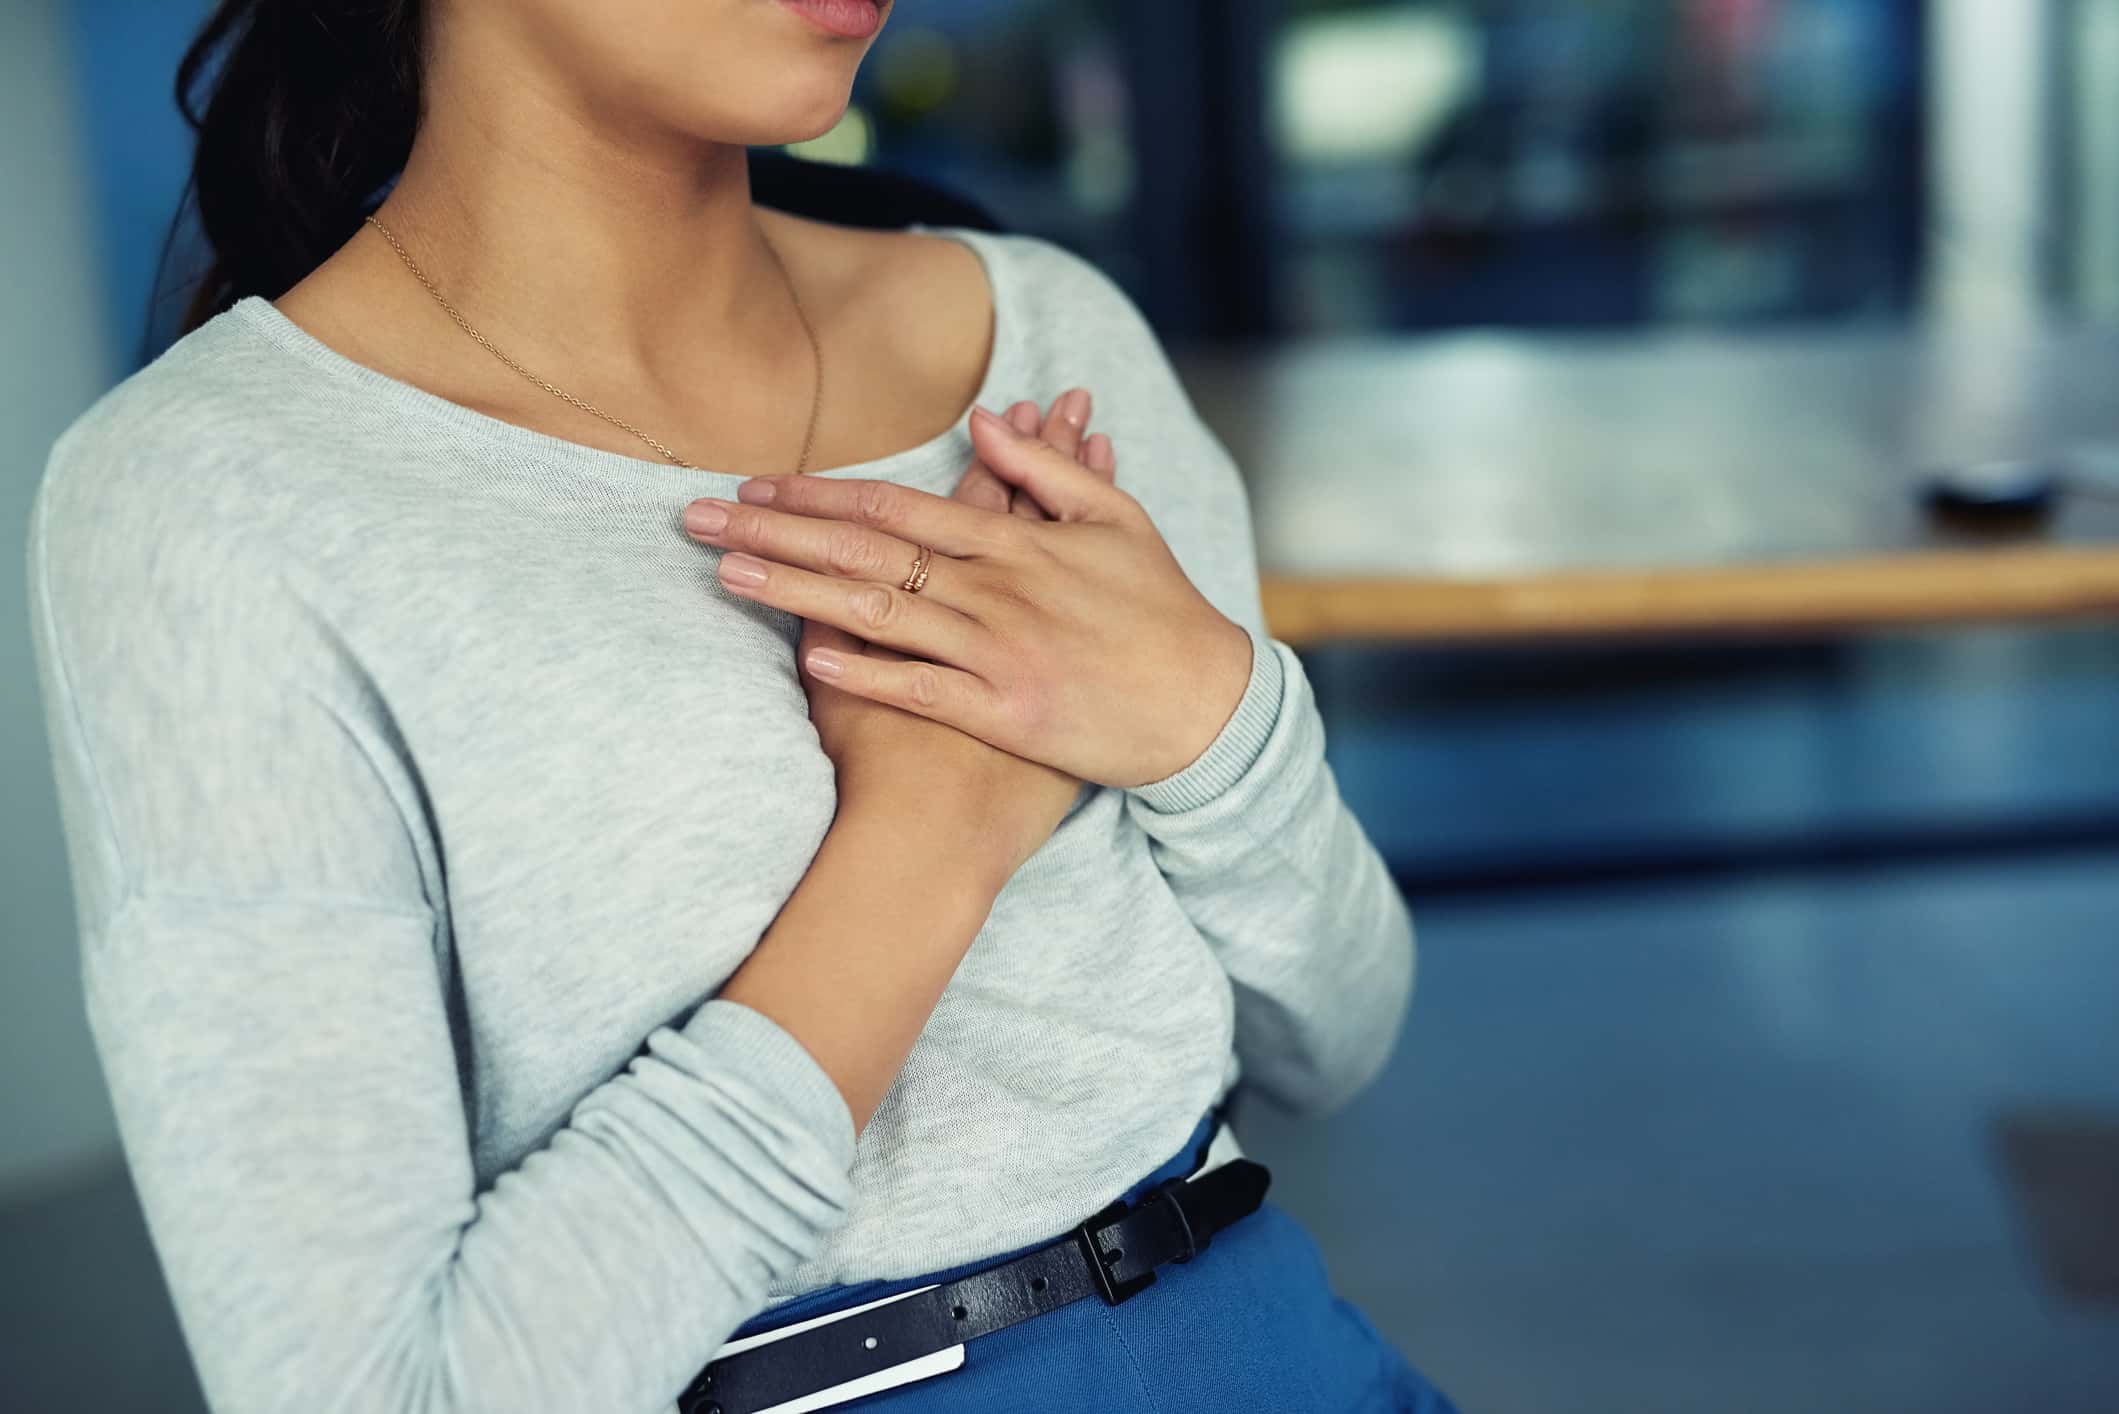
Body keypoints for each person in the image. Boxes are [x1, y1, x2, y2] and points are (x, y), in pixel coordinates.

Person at [25, 1, 1455, 1410]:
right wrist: (926, 843)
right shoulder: (207, 506)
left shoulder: (1046, 333)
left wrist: (1211, 713)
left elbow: (1336, 1034)